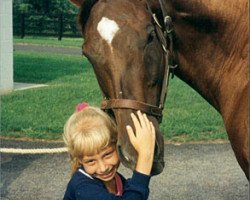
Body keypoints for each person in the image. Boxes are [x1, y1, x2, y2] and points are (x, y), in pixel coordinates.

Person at [63, 102, 156, 200]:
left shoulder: (116, 180)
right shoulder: (84, 188)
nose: (103, 168)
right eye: (91, 161)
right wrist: (145, 157)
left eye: (107, 154)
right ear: (79, 160)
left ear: (117, 143)